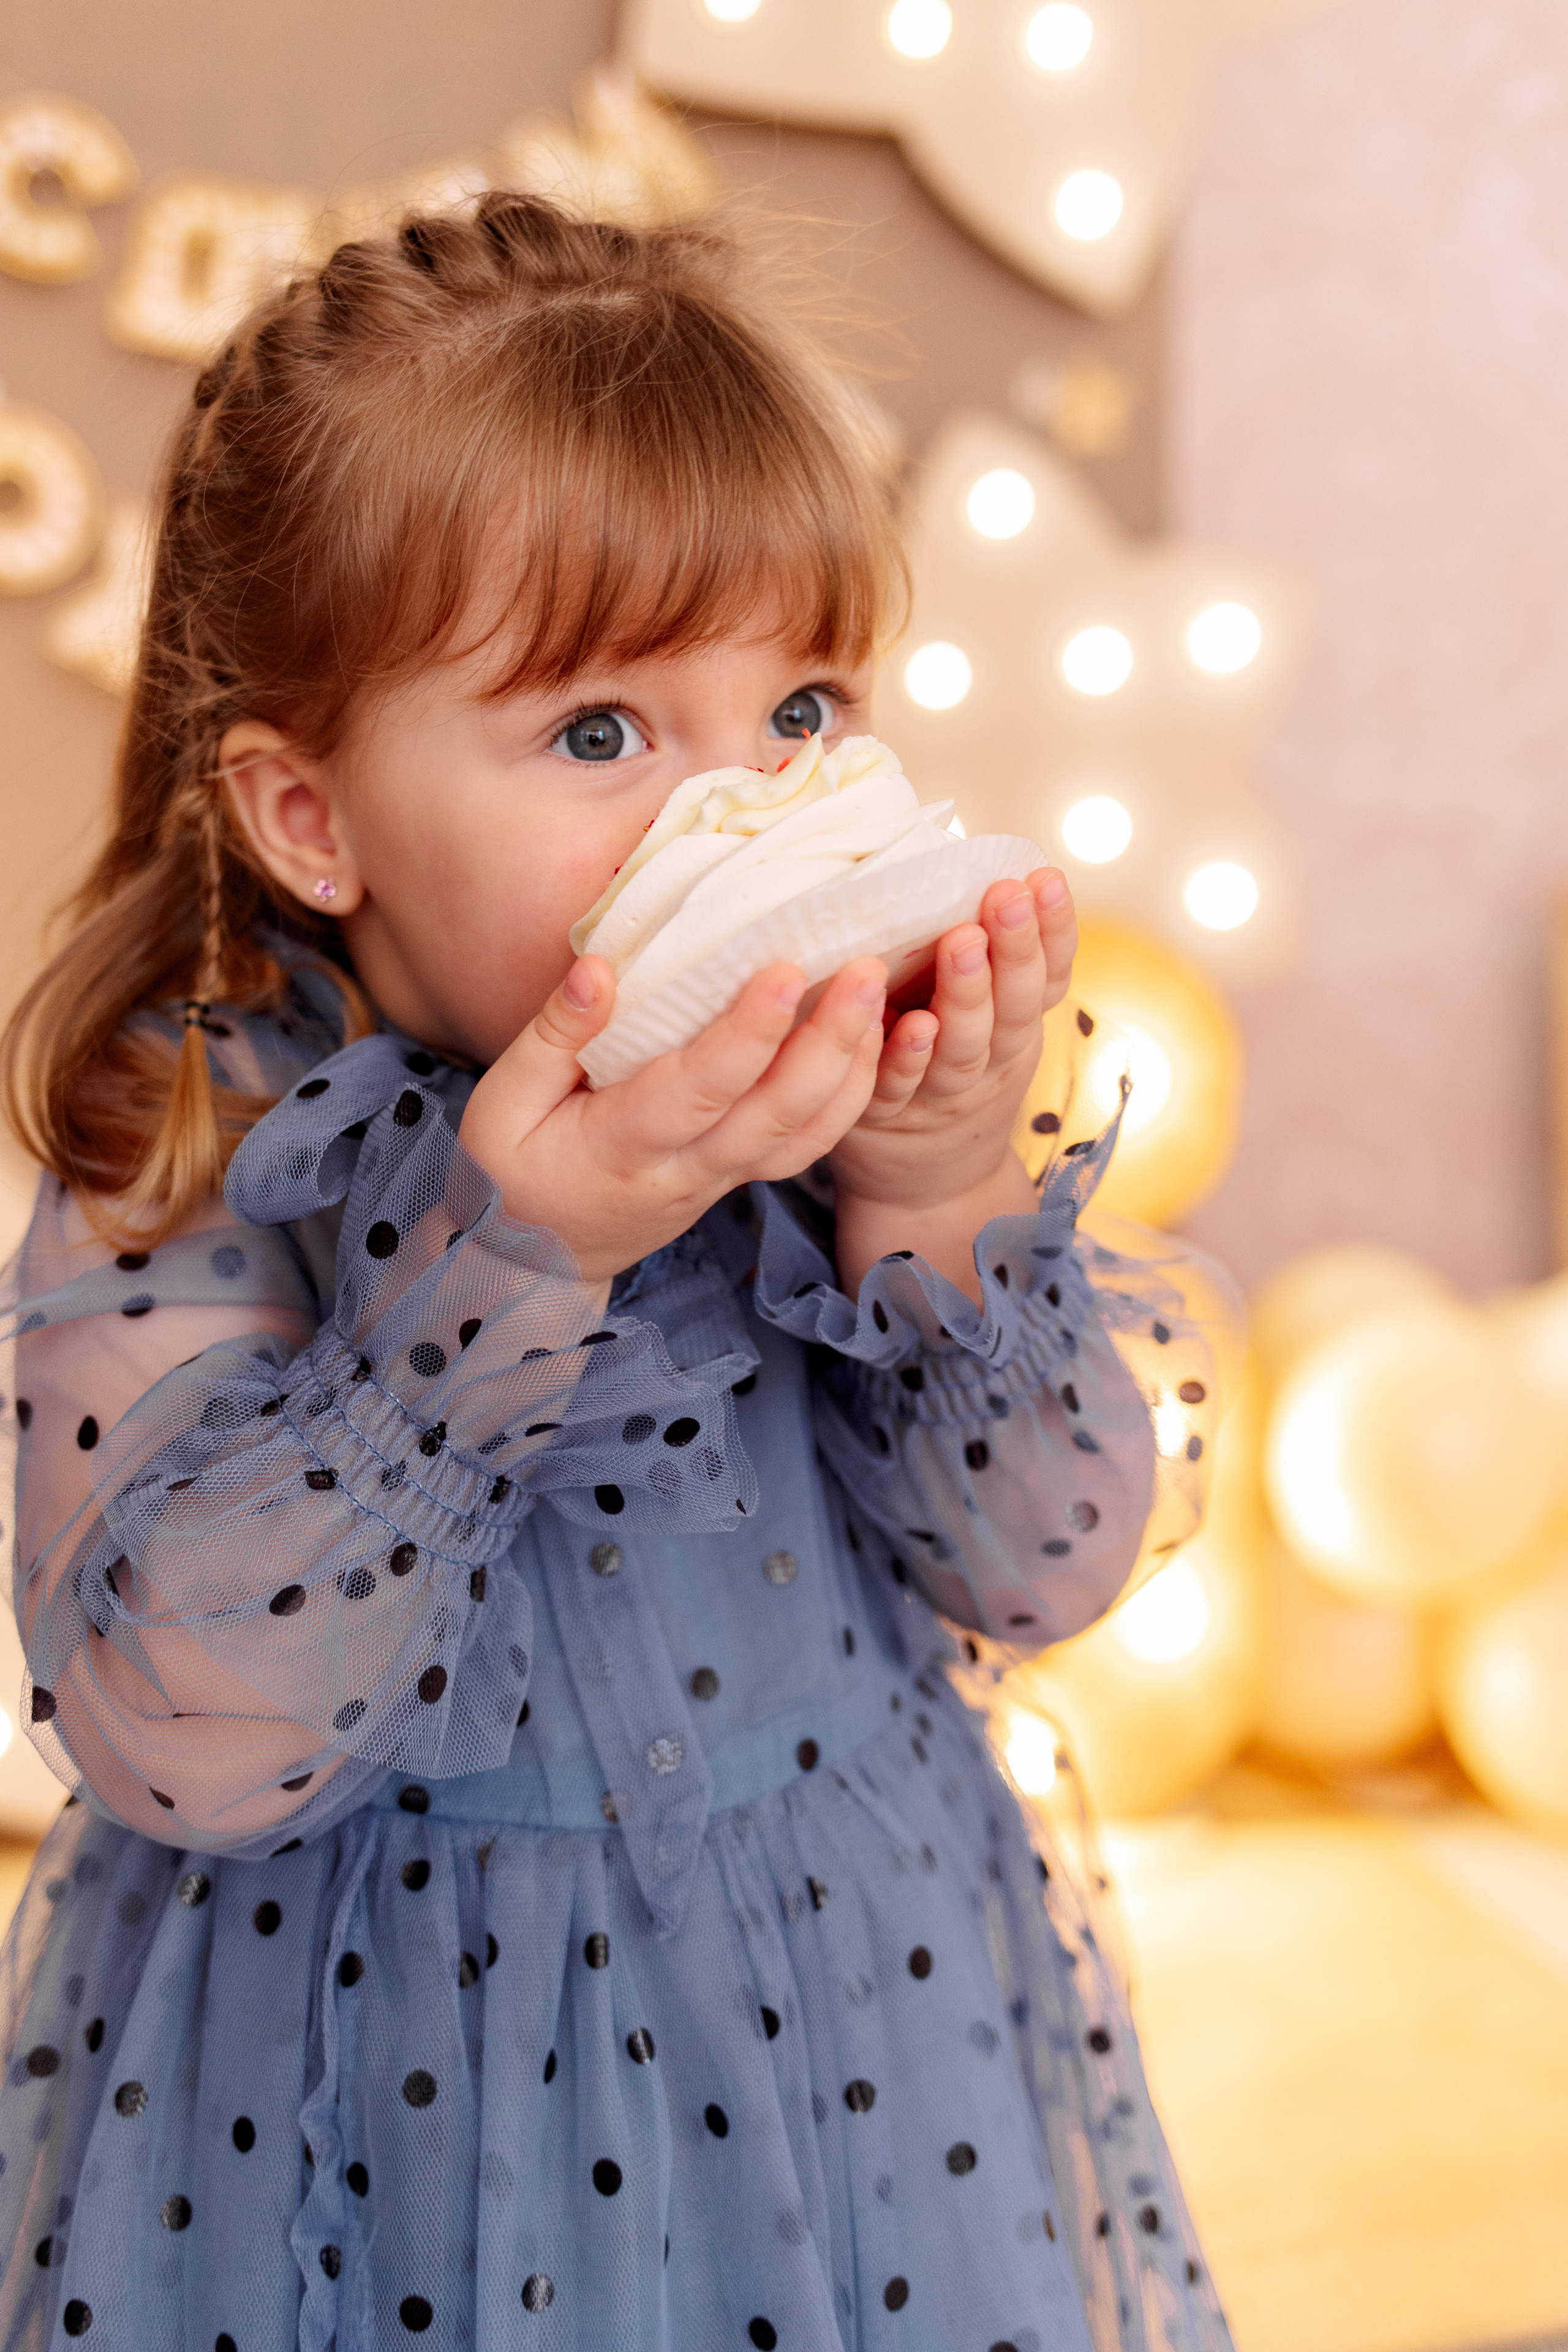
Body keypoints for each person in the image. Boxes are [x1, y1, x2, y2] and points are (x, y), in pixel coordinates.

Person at [0, 194, 1232, 2352]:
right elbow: (186, 1732)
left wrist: (929, 1190)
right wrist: (522, 1257)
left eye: (805, 708)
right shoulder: (199, 1128)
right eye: (599, 734)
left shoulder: (832, 1105)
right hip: (363, 2113)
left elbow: (1047, 1560)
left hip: (853, 2041)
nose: (741, 817)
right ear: (313, 820)